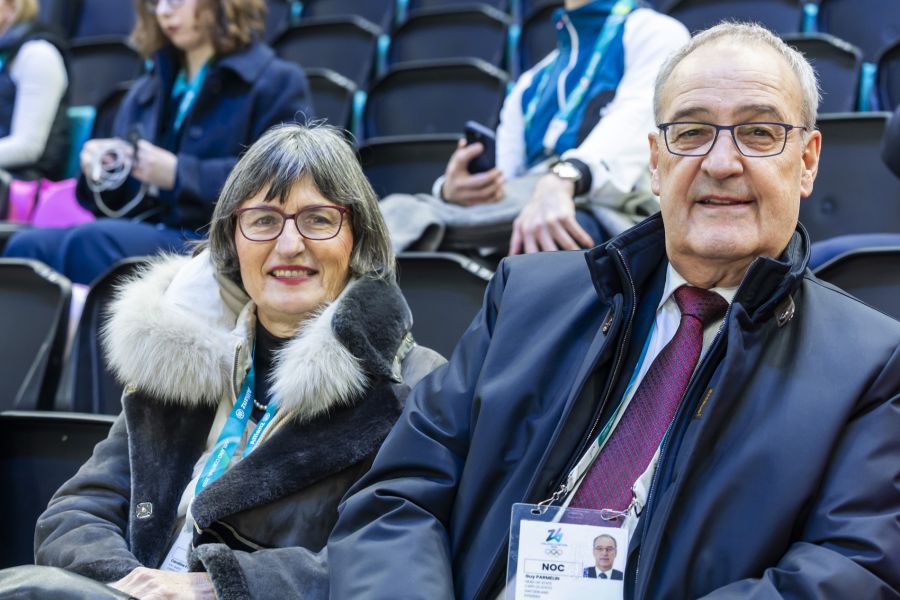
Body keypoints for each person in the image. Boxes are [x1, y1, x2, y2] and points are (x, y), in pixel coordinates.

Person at [326, 23, 900, 598]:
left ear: (808, 161)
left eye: (758, 132)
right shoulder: (524, 299)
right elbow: (398, 496)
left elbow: (848, 570)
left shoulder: (871, 365)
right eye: (692, 132)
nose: (722, 162)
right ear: (655, 162)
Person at [33, 124, 445, 599]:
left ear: (358, 238)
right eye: (264, 220)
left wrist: (215, 587)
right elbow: (73, 514)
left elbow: (389, 557)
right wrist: (130, 587)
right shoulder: (181, 353)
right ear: (232, 240)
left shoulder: (412, 385)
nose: (289, 245)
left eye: (318, 219)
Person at [3, 0, 312, 285]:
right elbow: (114, 206)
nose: (163, 11)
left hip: (215, 240)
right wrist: (106, 170)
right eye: (155, 3)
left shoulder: (277, 81)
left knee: (90, 243)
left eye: (175, 0)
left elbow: (283, 181)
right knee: (24, 245)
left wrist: (178, 174)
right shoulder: (147, 87)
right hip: (148, 229)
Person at [380, 0, 688, 255]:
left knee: (398, 215)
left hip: (613, 207)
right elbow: (506, 182)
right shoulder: (532, 81)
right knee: (395, 212)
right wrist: (454, 191)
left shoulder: (656, 33)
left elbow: (633, 128)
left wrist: (563, 179)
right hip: (529, 200)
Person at [0, 0, 68, 180]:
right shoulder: (4, 55)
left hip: (24, 179)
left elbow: (28, 147)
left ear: (10, 8)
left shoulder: (38, 53)